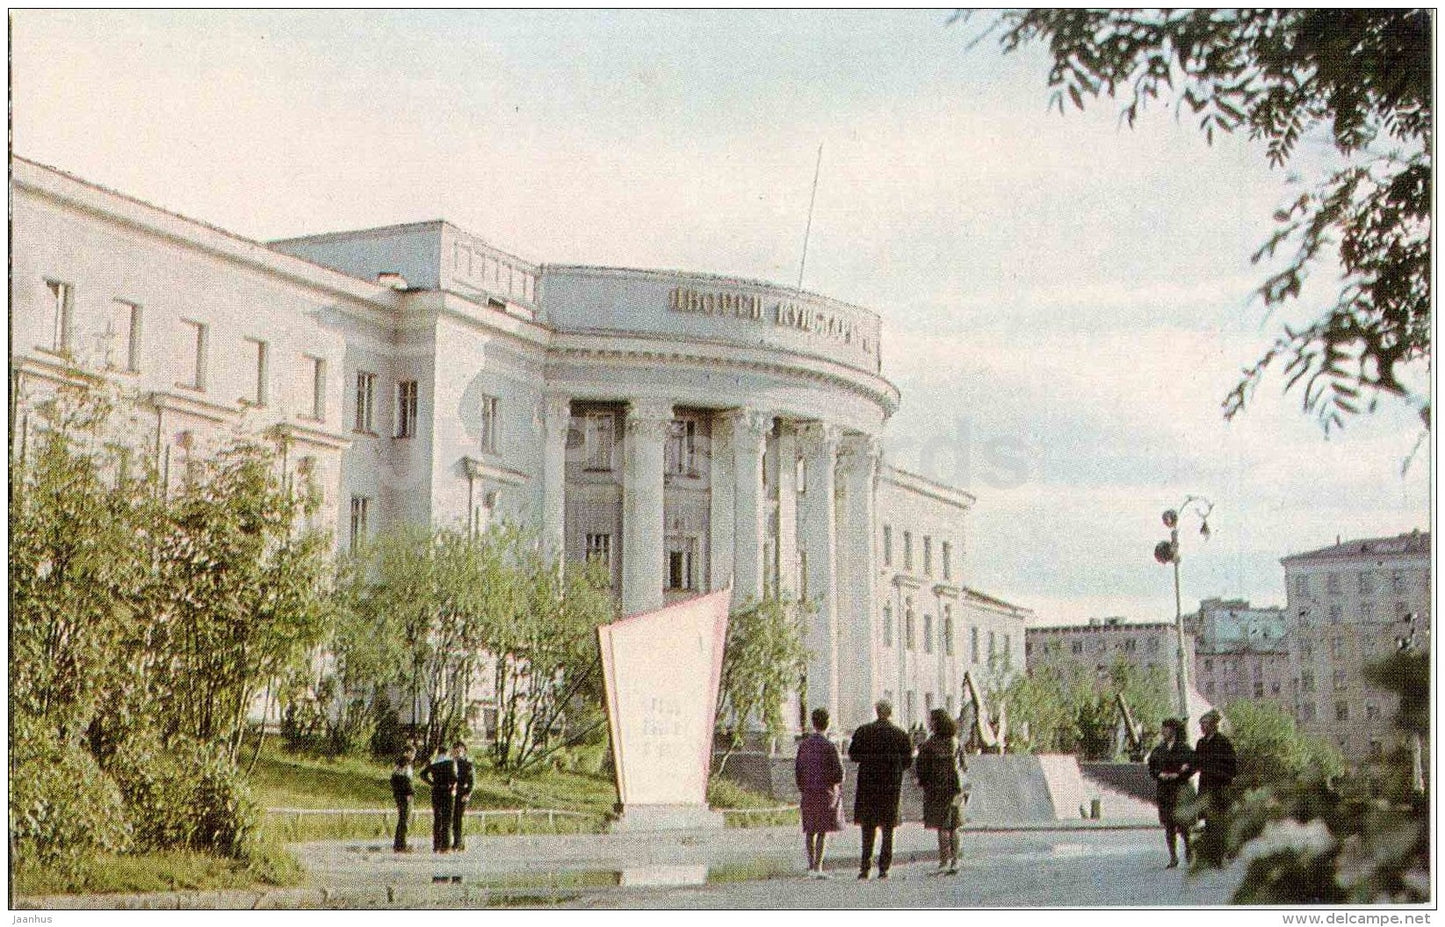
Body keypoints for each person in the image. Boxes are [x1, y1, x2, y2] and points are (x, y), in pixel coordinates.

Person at [847, 699, 914, 880]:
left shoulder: (863, 731)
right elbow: (908, 761)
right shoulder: (900, 734)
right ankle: (884, 868)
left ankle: (865, 867)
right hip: (890, 787)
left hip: (868, 786)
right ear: (890, 712)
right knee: (888, 829)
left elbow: (853, 755)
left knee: (868, 829)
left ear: (876, 712)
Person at [794, 707, 845, 878]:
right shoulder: (830, 746)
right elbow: (840, 773)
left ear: (813, 723)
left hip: (808, 792)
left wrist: (803, 786)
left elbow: (798, 771)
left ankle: (810, 865)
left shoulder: (804, 746)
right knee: (823, 830)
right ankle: (818, 866)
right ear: (827, 723)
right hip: (826, 793)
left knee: (810, 830)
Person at [915, 708, 965, 875]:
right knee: (955, 825)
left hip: (936, 789)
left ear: (935, 723)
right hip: (956, 788)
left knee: (942, 826)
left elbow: (921, 769)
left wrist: (922, 782)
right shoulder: (955, 742)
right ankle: (956, 861)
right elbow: (964, 765)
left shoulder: (929, 745)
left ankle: (944, 861)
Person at [1147, 717, 1196, 868]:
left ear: (1173, 730)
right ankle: (1173, 856)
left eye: (1166, 728)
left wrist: (1180, 774)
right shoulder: (1158, 749)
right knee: (1168, 825)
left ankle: (1188, 849)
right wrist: (1159, 774)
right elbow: (1152, 767)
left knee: (1183, 825)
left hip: (1180, 790)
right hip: (1165, 791)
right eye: (1162, 728)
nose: (1163, 731)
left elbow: (1192, 765)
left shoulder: (1184, 748)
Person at [1194, 708, 1238, 862]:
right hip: (1206, 785)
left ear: (1213, 725)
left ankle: (1230, 849)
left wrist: (1225, 777)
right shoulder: (1201, 743)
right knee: (1209, 820)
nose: (1202, 727)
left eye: (1205, 724)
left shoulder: (1223, 742)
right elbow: (1196, 762)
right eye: (1201, 724)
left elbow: (1232, 765)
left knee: (1222, 820)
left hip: (1220, 785)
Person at [419, 744, 457, 853]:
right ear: (447, 752)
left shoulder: (434, 763)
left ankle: (436, 845)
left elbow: (422, 774)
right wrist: (452, 785)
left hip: (436, 791)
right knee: (447, 819)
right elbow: (454, 777)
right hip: (447, 791)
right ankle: (446, 846)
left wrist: (432, 783)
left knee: (437, 818)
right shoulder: (450, 762)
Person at [390, 748, 416, 853]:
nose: (414, 756)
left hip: (398, 795)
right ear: (408, 753)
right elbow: (408, 780)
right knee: (405, 819)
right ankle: (403, 845)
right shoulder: (407, 764)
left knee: (401, 819)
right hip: (406, 796)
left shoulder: (397, 764)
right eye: (413, 754)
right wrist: (411, 792)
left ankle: (398, 844)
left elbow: (393, 780)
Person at [451, 741, 474, 852]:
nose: (457, 753)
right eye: (455, 751)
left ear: (464, 751)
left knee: (459, 818)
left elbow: (472, 781)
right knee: (453, 818)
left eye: (459, 751)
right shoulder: (450, 763)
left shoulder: (468, 764)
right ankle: (456, 841)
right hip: (451, 794)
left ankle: (460, 843)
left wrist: (468, 793)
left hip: (462, 794)